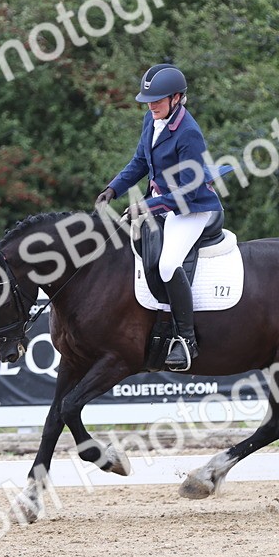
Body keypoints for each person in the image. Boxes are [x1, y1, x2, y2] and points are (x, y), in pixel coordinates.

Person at [94, 63, 223, 371]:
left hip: (192, 209)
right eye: (148, 101)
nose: (151, 105)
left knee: (167, 264)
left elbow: (189, 193)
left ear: (176, 98)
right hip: (161, 203)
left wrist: (147, 207)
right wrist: (114, 188)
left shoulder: (189, 134)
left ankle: (185, 339)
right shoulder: (152, 121)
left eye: (158, 100)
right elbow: (140, 161)